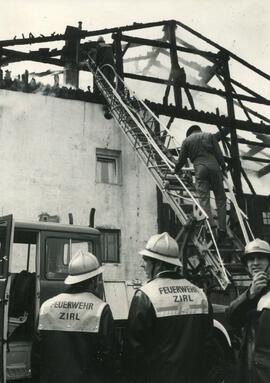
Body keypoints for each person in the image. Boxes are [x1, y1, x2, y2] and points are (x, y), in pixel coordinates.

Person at [126, 232, 213, 383]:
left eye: (146, 260)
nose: (143, 264)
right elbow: (207, 344)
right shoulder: (200, 294)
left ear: (157, 264)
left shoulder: (145, 295)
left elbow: (134, 350)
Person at [31, 249, 117, 383]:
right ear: (94, 280)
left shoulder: (46, 307)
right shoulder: (101, 309)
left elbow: (36, 355)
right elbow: (110, 356)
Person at [226, 238, 270, 383]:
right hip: (250, 368)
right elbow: (231, 318)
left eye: (261, 258)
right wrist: (250, 294)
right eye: (251, 259)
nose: (255, 263)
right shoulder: (251, 292)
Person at [175, 125, 227, 242]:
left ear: (189, 133)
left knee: (204, 199)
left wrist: (176, 170)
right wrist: (223, 167)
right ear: (199, 130)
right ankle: (222, 229)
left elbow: (182, 159)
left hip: (200, 168)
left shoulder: (187, 141)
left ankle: (211, 228)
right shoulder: (209, 136)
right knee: (221, 198)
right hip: (214, 168)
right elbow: (219, 153)